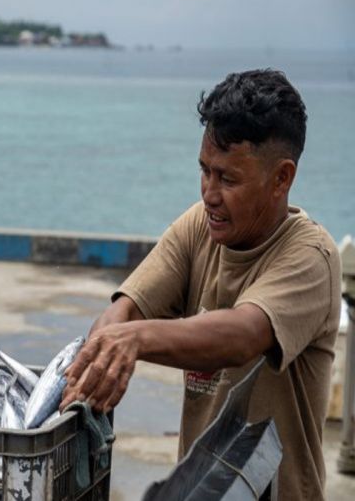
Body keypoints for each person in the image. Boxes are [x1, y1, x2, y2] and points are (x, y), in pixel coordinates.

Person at [61, 69, 340, 500]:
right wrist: (109, 344)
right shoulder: (200, 226)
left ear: (282, 178)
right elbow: (125, 309)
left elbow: (244, 335)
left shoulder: (311, 256)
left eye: (228, 179)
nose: (209, 192)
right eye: (204, 171)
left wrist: (132, 341)